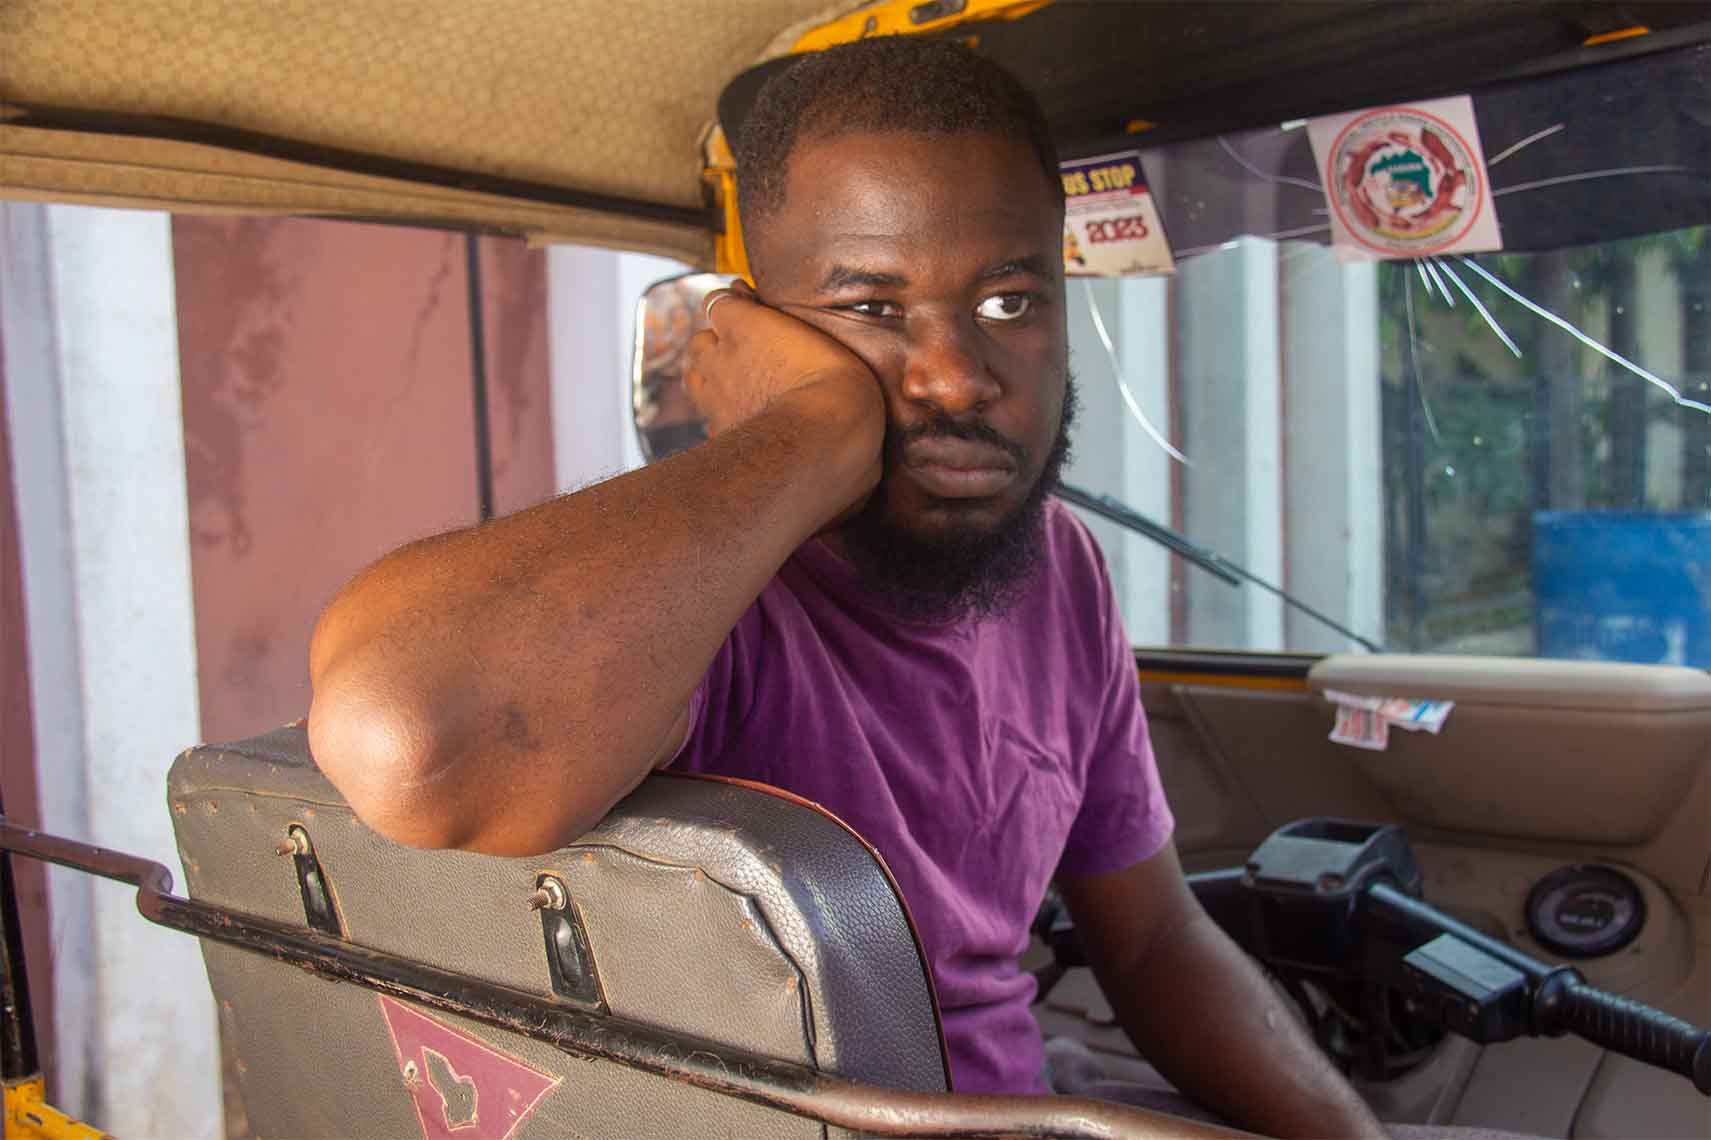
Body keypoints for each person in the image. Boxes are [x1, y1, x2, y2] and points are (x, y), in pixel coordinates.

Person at [307, 36, 1390, 1138]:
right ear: (764, 335)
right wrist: (812, 426)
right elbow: (413, 741)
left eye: (1011, 303)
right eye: (871, 309)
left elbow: (1153, 938)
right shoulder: (698, 601)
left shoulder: (1058, 566)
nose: (959, 377)